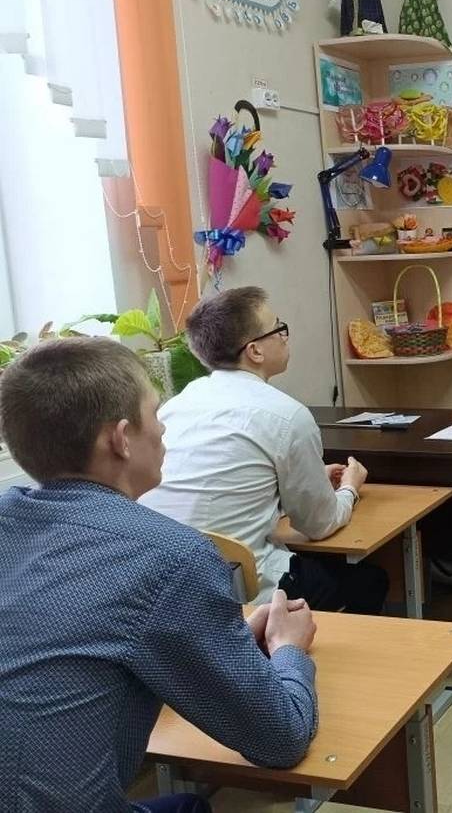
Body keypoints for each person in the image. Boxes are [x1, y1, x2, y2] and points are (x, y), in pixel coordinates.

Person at [0, 338, 318, 812]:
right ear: (120, 439)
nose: (164, 426)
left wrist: (221, 642)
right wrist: (289, 649)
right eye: (155, 412)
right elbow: (281, 737)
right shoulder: (171, 556)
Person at [140, 287, 387, 613]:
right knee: (369, 581)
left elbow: (226, 490)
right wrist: (350, 488)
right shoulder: (287, 416)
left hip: (163, 585)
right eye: (278, 328)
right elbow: (320, 524)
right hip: (243, 589)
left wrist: (301, 483)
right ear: (254, 351)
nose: (285, 337)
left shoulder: (176, 406)